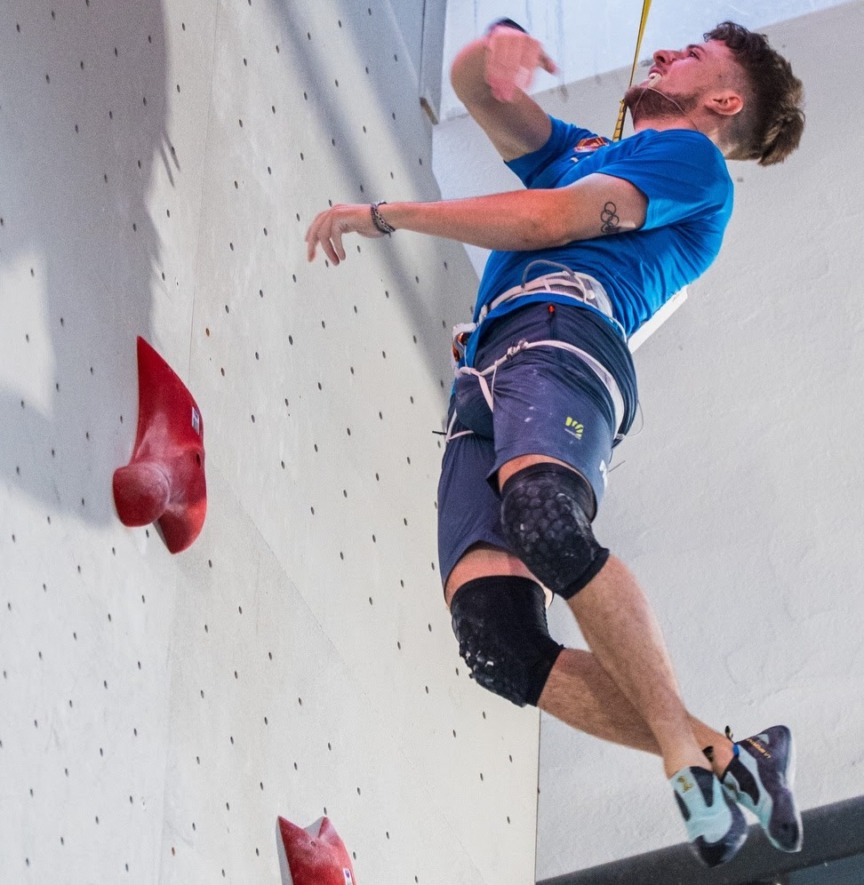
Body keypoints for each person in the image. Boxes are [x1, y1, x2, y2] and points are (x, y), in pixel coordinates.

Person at [305, 18, 805, 867]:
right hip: (487, 361)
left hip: (563, 333)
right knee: (497, 641)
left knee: (545, 517)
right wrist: (494, 44)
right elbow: (477, 89)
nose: (664, 53)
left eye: (691, 55)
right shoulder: (585, 149)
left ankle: (685, 760)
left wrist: (386, 215)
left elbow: (547, 221)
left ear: (724, 101)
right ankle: (728, 756)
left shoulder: (692, 161)